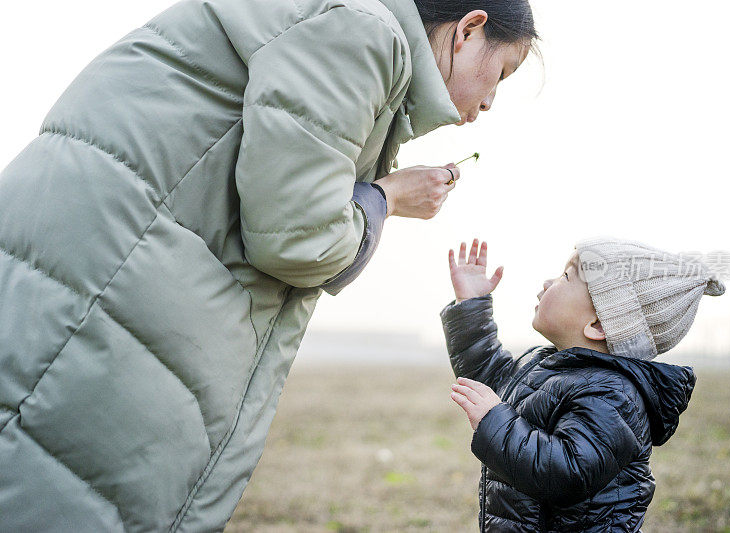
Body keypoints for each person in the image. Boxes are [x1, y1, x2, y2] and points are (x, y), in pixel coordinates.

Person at [0, 0, 537, 530]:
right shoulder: (360, 30)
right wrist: (388, 197)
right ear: (468, 29)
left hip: (92, 269)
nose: (490, 101)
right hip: (110, 286)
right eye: (503, 74)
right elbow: (300, 241)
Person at [441, 237, 726, 532]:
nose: (548, 282)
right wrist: (470, 305)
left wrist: (496, 422)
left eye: (566, 276)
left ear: (598, 325)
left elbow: (569, 471)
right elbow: (492, 380)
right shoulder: (548, 367)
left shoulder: (613, 395)